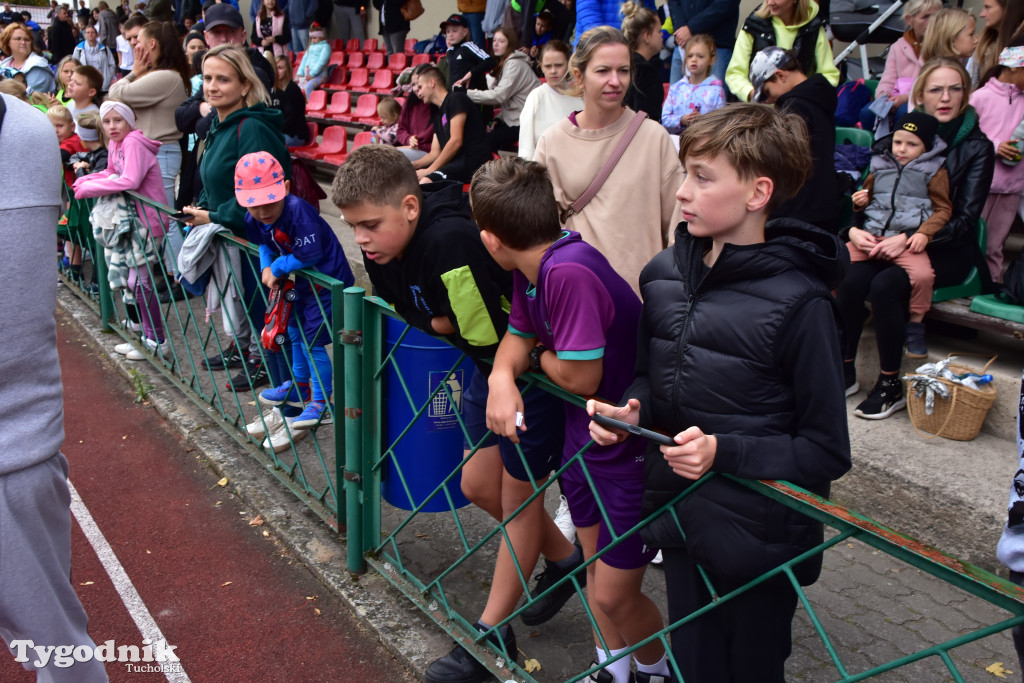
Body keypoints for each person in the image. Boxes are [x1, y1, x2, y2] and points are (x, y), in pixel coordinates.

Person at [588, 103, 851, 683]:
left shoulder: (801, 303)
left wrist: (721, 451)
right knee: (694, 666)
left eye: (703, 177)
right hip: (680, 522)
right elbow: (651, 382)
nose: (682, 192)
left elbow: (827, 450)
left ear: (758, 193)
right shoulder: (661, 276)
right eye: (685, 173)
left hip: (760, 544)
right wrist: (630, 411)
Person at [331, 144, 579, 683]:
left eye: (371, 225)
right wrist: (437, 319)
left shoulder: (446, 242)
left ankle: (491, 637)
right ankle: (563, 559)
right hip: (484, 370)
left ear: (410, 207)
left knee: (516, 500)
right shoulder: (389, 252)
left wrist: (440, 322)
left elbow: (481, 331)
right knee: (477, 486)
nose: (361, 240)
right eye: (354, 228)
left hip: (522, 377)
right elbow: (420, 318)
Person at [475, 157, 671, 683]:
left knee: (615, 589)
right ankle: (615, 665)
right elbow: (516, 337)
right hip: (581, 441)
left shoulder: (567, 270)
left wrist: (535, 359)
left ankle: (657, 669)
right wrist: (501, 379)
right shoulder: (534, 264)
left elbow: (582, 377)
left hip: (623, 447)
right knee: (592, 564)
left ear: (491, 240)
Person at [0, 91, 110, 683]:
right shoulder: (25, 128)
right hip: (21, 454)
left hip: (11, 458)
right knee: (64, 657)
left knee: (63, 659)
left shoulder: (18, 132)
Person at [835, 57, 994, 419]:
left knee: (886, 285)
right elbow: (873, 198)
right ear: (919, 95)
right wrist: (854, 229)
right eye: (936, 89)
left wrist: (909, 238)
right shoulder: (896, 141)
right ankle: (845, 368)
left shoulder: (977, 147)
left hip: (943, 246)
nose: (946, 97)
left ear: (966, 94)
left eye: (955, 88)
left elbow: (964, 220)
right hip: (884, 239)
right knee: (850, 279)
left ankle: (890, 383)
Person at [534, 26, 682, 295]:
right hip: (579, 299)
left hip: (642, 300)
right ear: (579, 76)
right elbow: (541, 232)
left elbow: (678, 225)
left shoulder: (654, 137)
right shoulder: (552, 141)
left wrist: (669, 290)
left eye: (623, 70)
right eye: (603, 71)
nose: (615, 81)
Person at [181, 44, 291, 391]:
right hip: (233, 235)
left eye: (223, 79)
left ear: (245, 85)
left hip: (255, 241)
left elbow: (264, 197)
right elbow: (219, 180)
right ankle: (254, 359)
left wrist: (211, 214)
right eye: (208, 78)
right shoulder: (219, 122)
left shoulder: (252, 129)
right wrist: (203, 207)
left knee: (266, 314)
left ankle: (280, 385)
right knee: (246, 307)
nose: (212, 86)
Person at [238, 151, 354, 435]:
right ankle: (300, 386)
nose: (263, 211)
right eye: (255, 205)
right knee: (295, 334)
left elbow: (310, 254)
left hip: (327, 283)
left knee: (313, 342)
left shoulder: (298, 211)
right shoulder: (254, 218)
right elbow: (264, 244)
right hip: (301, 286)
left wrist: (277, 266)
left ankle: (322, 402)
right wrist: (267, 267)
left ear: (286, 189)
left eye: (270, 201)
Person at [849, 111, 950, 360]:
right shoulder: (879, 164)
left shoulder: (934, 171)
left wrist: (924, 233)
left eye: (912, 144)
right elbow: (869, 196)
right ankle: (844, 311)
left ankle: (916, 323)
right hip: (873, 234)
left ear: (926, 146)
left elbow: (943, 209)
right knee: (838, 263)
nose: (902, 149)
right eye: (898, 142)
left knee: (924, 275)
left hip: (905, 239)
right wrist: (859, 202)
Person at [74, 100, 169, 359]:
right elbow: (110, 171)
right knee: (130, 281)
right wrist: (86, 179)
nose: (112, 126)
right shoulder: (117, 142)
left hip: (147, 220)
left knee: (139, 282)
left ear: (130, 121)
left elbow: (130, 180)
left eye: (118, 120)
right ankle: (142, 332)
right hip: (132, 220)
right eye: (107, 121)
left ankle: (157, 340)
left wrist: (87, 189)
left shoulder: (133, 142)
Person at [749, 46, 839, 233]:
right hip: (824, 206)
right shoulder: (820, 97)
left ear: (781, 75)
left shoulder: (793, 106)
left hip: (798, 211)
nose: (768, 100)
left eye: (767, 92)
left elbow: (784, 160)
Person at [970, 43, 1024, 282]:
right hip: (979, 185)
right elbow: (967, 136)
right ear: (1014, 67)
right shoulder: (980, 97)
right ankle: (966, 285)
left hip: (1012, 188)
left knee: (995, 245)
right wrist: (994, 145)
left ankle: (991, 285)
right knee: (972, 240)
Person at [724, 0, 838, 103]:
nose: (769, 2)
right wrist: (753, 94)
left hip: (799, 111)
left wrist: (804, 95)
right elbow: (735, 74)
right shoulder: (753, 25)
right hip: (762, 113)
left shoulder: (814, 28)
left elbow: (829, 75)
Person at [859, 0, 941, 131]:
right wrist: (884, 97)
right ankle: (877, 148)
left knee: (905, 112)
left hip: (925, 99)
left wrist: (905, 98)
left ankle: (899, 148)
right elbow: (887, 80)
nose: (932, 22)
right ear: (910, 20)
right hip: (897, 97)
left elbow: (934, 84)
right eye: (925, 17)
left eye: (936, 17)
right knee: (867, 113)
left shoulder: (941, 45)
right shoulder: (898, 46)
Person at [466, 26, 541, 153]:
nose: (496, 44)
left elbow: (499, 96)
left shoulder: (514, 64)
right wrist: (498, 119)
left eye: (501, 41)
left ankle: (492, 172)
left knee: (483, 143)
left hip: (524, 123)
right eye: (494, 40)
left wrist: (465, 93)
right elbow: (511, 101)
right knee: (480, 135)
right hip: (515, 119)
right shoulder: (507, 63)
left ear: (510, 44)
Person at [412, 65, 492, 184]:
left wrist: (430, 170)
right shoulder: (438, 115)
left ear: (432, 82)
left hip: (473, 163)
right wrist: (412, 166)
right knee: (412, 178)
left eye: (420, 87)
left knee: (426, 181)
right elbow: (435, 153)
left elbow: (456, 141)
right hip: (456, 164)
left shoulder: (456, 99)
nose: (417, 92)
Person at [518, 39, 582, 160]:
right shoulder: (536, 97)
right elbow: (526, 145)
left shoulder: (580, 97)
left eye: (558, 65)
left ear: (568, 64)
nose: (553, 71)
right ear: (541, 66)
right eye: (548, 66)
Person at [665, 0, 740, 85]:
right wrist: (681, 29)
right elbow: (673, 3)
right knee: (675, 96)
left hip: (716, 45)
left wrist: (691, 29)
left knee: (713, 95)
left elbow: (726, 4)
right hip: (683, 43)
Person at [661, 33, 725, 133]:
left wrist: (703, 121)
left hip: (704, 145)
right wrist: (681, 120)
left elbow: (721, 124)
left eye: (700, 56)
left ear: (711, 60)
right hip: (676, 143)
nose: (694, 60)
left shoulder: (716, 91)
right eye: (690, 56)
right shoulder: (676, 88)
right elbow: (664, 118)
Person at [620, 0, 664, 121]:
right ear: (647, 36)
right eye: (659, 31)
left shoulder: (623, 64)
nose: (662, 35)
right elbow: (646, 118)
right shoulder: (646, 71)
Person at [974, 0, 1024, 86]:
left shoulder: (1019, 45)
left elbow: (1007, 84)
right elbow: (973, 81)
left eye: (988, 7)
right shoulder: (983, 41)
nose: (981, 14)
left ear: (1007, 8)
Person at [393, 62, 435, 162]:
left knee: (389, 158)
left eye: (419, 85)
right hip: (409, 148)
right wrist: (408, 139)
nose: (416, 89)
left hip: (427, 153)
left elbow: (439, 148)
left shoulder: (440, 105)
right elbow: (400, 130)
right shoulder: (409, 103)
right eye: (413, 85)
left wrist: (418, 146)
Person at [0, 22, 55, 94]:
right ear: (8, 42)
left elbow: (31, 98)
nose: (23, 42)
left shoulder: (38, 66)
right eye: (18, 39)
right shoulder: (4, 65)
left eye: (27, 39)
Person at [439, 13, 489, 92]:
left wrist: (471, 73)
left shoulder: (469, 47)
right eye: (447, 32)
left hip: (473, 98)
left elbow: (490, 62)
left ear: (465, 32)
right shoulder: (450, 52)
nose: (450, 35)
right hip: (456, 98)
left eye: (454, 31)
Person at [273, 54, 310, 147]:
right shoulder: (275, 90)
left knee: (271, 144)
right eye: (275, 68)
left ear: (288, 70)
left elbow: (291, 119)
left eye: (280, 68)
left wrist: (275, 131)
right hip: (282, 132)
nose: (277, 71)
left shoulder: (293, 90)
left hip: (295, 135)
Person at [73, 24, 118, 91]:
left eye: (92, 32)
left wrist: (109, 77)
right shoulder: (79, 49)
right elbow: (74, 65)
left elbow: (112, 64)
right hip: (85, 83)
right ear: (84, 35)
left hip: (103, 84)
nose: (90, 34)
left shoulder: (104, 48)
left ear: (97, 35)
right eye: (88, 32)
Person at [295, 22, 329, 96]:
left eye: (314, 38)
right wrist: (300, 73)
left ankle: (310, 104)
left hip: (320, 75)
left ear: (321, 37)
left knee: (308, 87)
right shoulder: (310, 47)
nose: (312, 40)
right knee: (298, 88)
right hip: (308, 75)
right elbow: (304, 61)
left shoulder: (325, 47)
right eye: (311, 38)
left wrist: (312, 74)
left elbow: (322, 62)